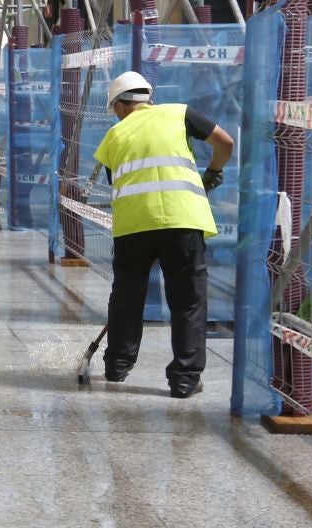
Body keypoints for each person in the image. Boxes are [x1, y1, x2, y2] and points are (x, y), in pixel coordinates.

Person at [93, 70, 233, 398]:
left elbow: (118, 182)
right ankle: (184, 380)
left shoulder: (114, 135)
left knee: (127, 296)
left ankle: (117, 366)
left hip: (133, 226)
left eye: (115, 108)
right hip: (181, 220)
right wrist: (212, 172)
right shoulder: (180, 113)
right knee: (188, 301)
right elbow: (225, 142)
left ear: (122, 105)